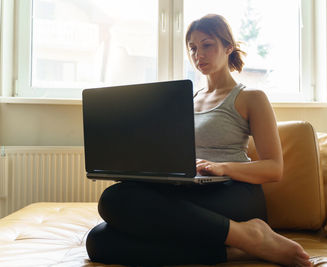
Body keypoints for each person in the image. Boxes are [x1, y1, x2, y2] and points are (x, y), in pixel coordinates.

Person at [86, 14, 312, 267]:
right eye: (192, 48)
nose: (198, 54)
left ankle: (248, 232)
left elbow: (274, 168)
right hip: (189, 190)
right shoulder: (185, 100)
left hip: (232, 191)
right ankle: (236, 249)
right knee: (99, 240)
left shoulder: (251, 97)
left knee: (115, 200)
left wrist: (222, 167)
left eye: (207, 45)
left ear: (228, 47)